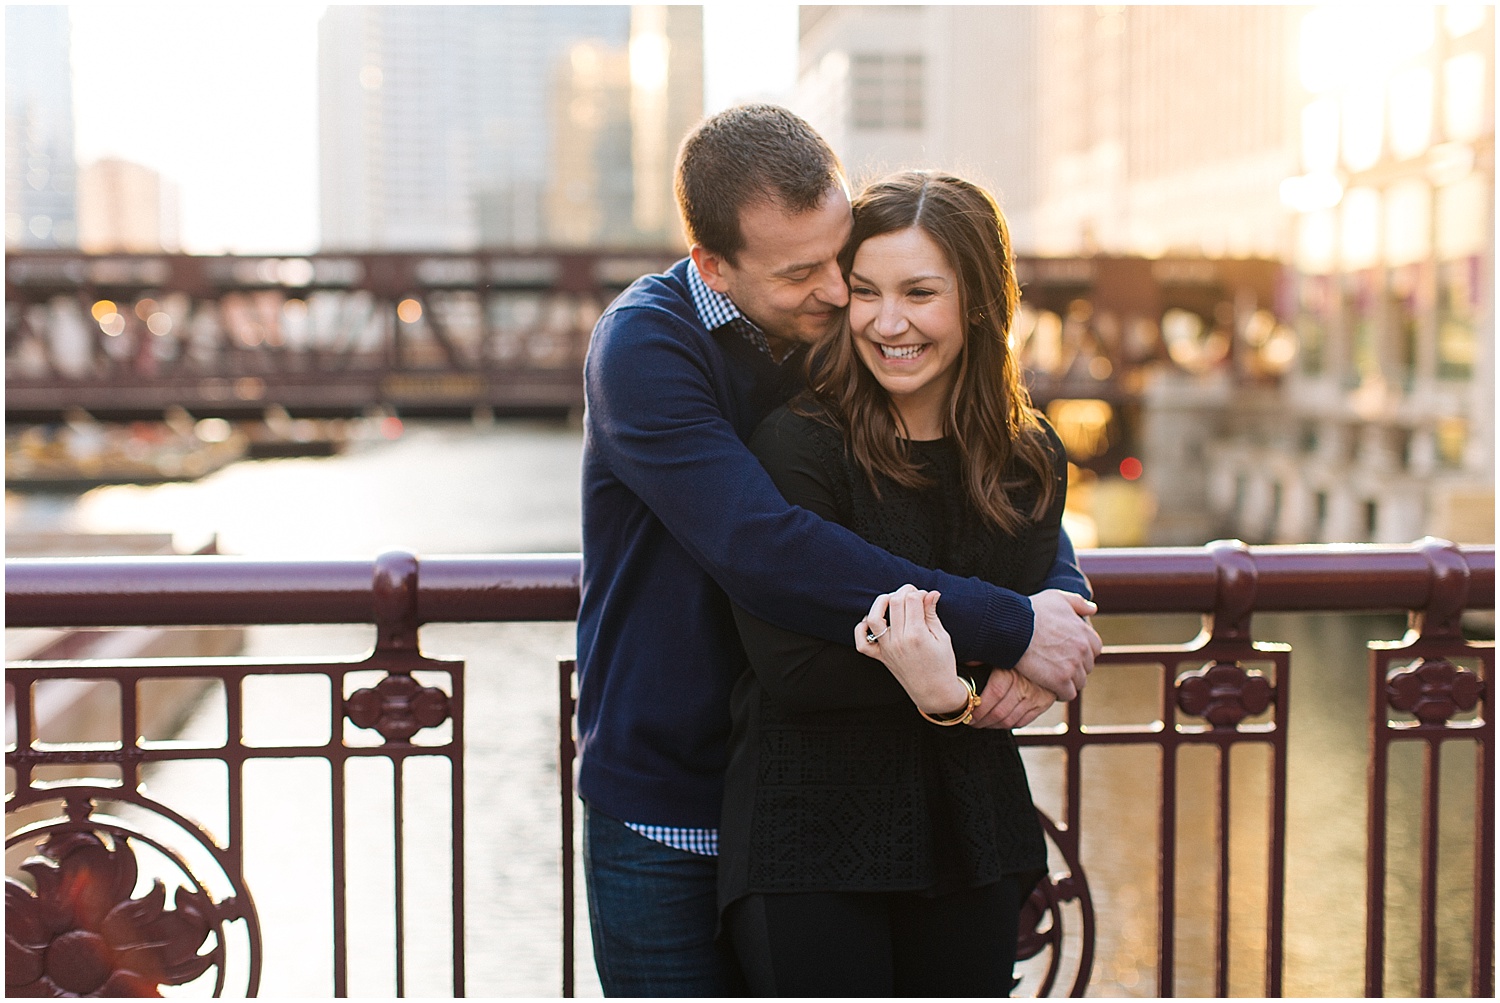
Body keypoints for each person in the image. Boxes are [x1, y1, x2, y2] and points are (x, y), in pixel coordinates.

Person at [577, 104, 1101, 996]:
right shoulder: (646, 345)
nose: (839, 293)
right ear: (714, 266)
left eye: (842, 259)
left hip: (809, 779)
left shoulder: (835, 336)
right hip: (668, 793)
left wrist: (1058, 586)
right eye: (803, 272)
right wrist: (1008, 626)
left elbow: (978, 477)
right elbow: (765, 545)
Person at [719, 170, 1067, 996]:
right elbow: (794, 669)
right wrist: (947, 691)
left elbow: (1038, 640)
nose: (887, 321)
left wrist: (969, 672)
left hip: (973, 833)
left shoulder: (1029, 458)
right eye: (866, 291)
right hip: (809, 843)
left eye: (920, 291)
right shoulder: (799, 444)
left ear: (979, 300)